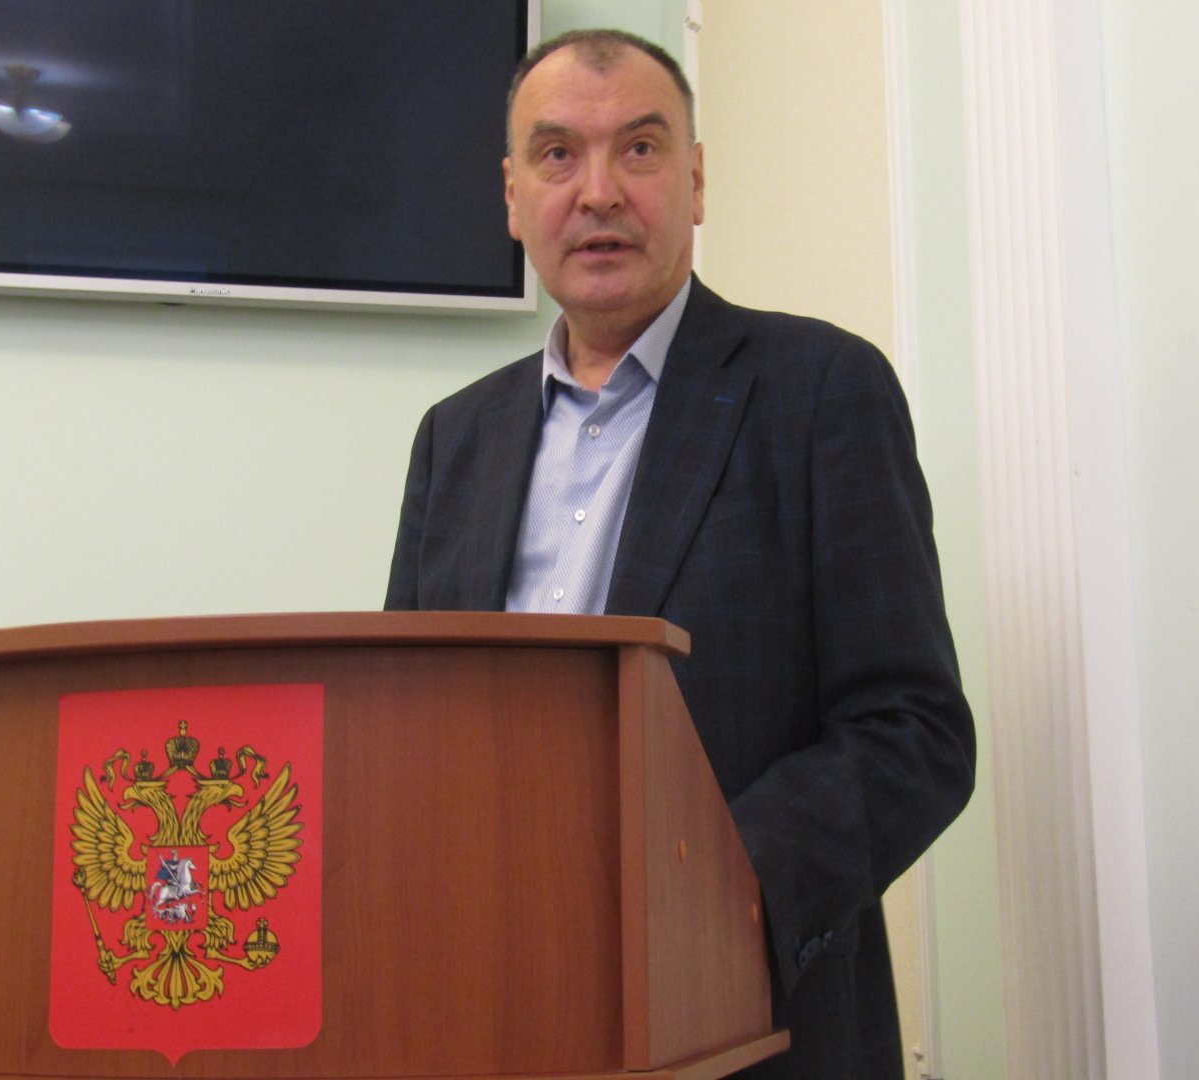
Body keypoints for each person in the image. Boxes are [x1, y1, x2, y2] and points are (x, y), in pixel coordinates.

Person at [386, 28, 976, 1080]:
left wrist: (704, 888)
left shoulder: (820, 390)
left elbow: (914, 733)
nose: (599, 191)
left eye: (640, 149)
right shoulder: (453, 439)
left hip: (750, 1023)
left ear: (695, 181)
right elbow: (406, 731)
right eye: (557, 154)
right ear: (513, 197)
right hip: (493, 1010)